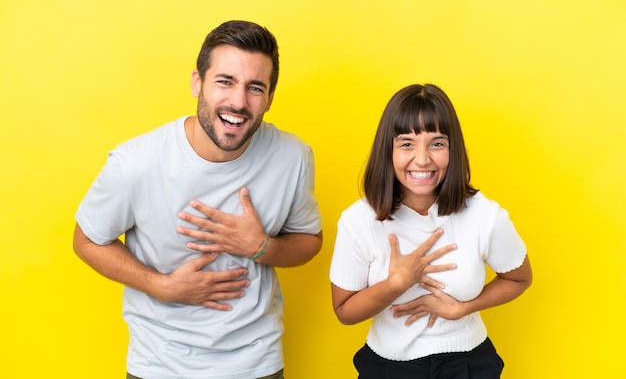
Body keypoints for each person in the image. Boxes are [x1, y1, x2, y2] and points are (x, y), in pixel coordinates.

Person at [73, 20, 323, 379]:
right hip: (160, 364)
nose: (238, 101)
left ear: (269, 98)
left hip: (256, 363)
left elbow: (309, 240)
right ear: (197, 82)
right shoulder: (137, 163)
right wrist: (162, 287)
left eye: (255, 87)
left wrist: (261, 247)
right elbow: (85, 239)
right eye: (225, 81)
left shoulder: (293, 157)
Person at [329, 83, 532, 378]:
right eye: (407, 143)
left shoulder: (484, 215)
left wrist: (464, 308)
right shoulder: (358, 220)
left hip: (468, 364)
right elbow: (344, 311)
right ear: (389, 150)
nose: (422, 159)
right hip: (388, 368)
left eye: (437, 143)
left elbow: (519, 278)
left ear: (453, 150)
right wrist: (395, 284)